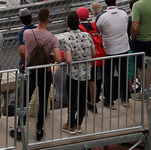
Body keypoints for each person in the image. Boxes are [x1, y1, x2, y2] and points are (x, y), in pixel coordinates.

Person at [14, 7, 62, 141]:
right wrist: (51, 55)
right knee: (43, 101)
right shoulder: (53, 38)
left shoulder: (27, 33)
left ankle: (19, 128)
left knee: (25, 100)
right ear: (48, 19)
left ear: (36, 18)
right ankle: (39, 130)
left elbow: (23, 51)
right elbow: (58, 59)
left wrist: (25, 63)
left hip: (30, 72)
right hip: (45, 73)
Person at [56, 10, 93, 134]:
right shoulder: (87, 35)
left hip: (73, 74)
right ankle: (78, 124)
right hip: (86, 72)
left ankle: (70, 124)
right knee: (83, 100)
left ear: (67, 24)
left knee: (72, 99)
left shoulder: (67, 38)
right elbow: (94, 53)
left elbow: (69, 59)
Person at [95, 0, 130, 109]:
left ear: (105, 2)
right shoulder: (124, 13)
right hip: (123, 48)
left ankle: (109, 101)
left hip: (108, 50)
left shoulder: (102, 17)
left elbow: (98, 32)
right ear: (116, 0)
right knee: (123, 73)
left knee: (107, 75)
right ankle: (125, 99)